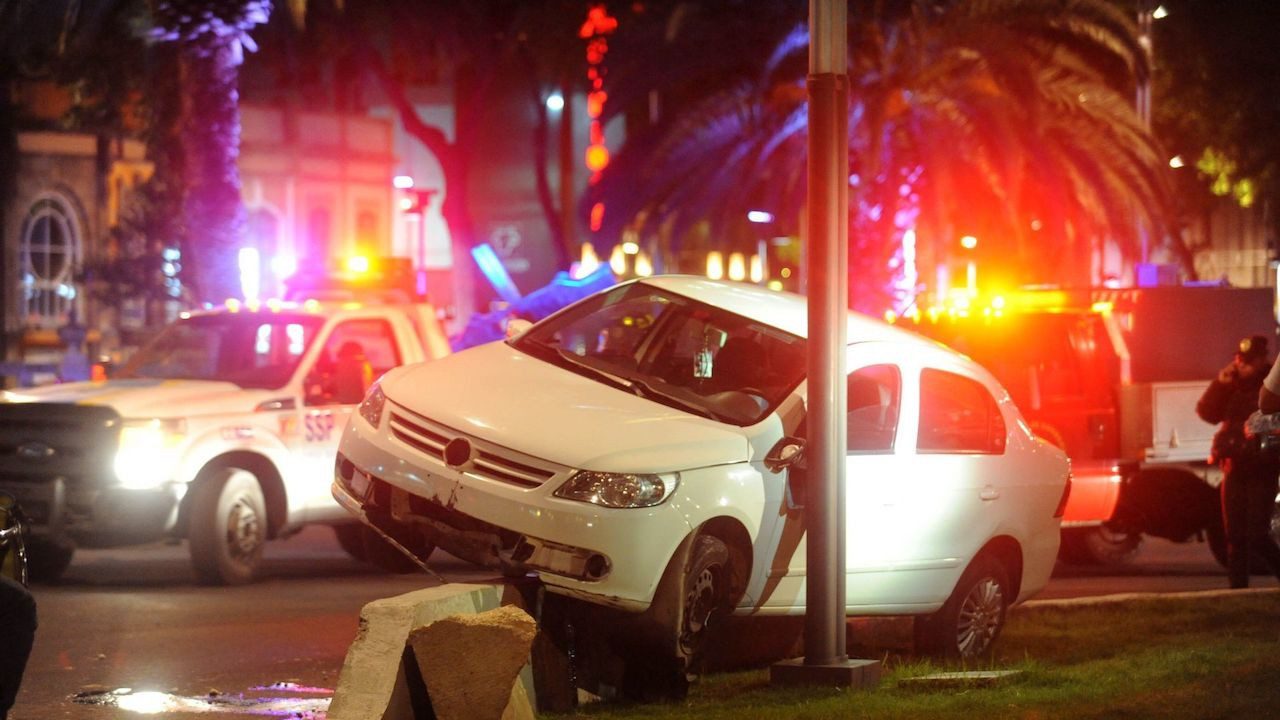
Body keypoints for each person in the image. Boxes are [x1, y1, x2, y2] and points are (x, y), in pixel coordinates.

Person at [1196, 334, 1280, 588]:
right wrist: (1219, 385)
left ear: (1262, 360)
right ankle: (1237, 592)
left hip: (1261, 468)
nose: (1242, 365)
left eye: (1248, 362)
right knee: (1234, 538)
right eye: (1240, 360)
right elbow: (1207, 413)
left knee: (1256, 535)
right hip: (1233, 467)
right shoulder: (1232, 385)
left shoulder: (1270, 386)